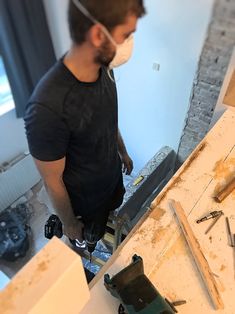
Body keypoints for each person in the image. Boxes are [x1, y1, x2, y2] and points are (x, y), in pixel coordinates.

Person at [24, 0, 146, 254]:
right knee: (87, 236)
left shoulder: (105, 69)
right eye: (126, 35)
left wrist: (122, 152)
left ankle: (94, 237)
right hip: (84, 201)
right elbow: (52, 181)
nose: (130, 43)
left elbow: (108, 118)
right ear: (98, 35)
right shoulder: (47, 108)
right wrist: (69, 223)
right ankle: (84, 244)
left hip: (110, 177)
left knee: (105, 221)